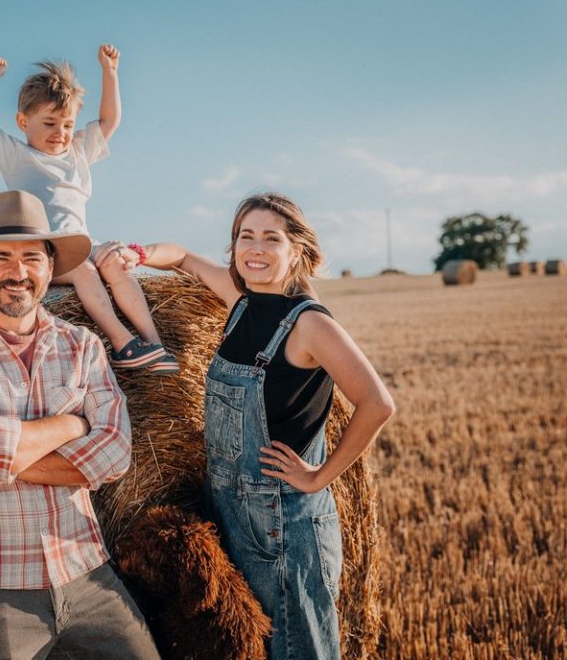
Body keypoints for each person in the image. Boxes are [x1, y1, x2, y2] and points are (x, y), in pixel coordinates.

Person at [133, 193, 395, 659]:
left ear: (297, 251)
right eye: (245, 237)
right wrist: (135, 254)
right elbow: (186, 259)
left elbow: (377, 403)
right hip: (230, 512)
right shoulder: (242, 304)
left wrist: (318, 477)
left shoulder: (309, 323)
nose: (255, 249)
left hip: (285, 528)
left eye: (271, 239)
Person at [0, 190, 161, 659]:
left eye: (32, 258)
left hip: (83, 568)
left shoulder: (82, 346)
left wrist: (2, 449)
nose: (18, 272)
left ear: (50, 266)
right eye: (1, 257)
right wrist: (73, 425)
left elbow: (116, 455)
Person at [0, 46, 178, 375]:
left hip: (82, 243)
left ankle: (154, 345)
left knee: (115, 263)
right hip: (44, 252)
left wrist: (110, 72)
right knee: (84, 270)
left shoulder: (78, 151)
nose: (60, 133)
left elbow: (110, 120)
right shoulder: (16, 155)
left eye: (67, 125)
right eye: (50, 123)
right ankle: (123, 343)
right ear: (23, 121)